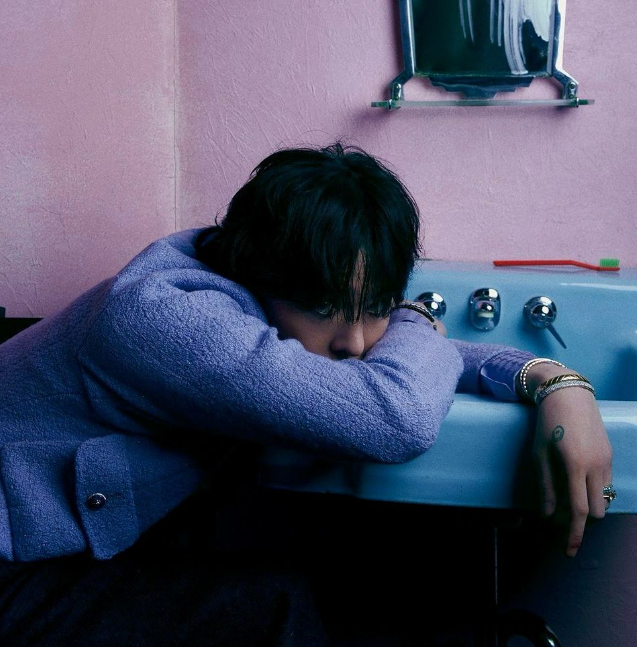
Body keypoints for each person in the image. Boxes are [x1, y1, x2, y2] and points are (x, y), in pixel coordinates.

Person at [0, 142, 613, 646]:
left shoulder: (243, 278)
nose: (354, 342)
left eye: (373, 309)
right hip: (12, 573)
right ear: (258, 275)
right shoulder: (168, 318)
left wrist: (555, 381)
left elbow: (411, 357)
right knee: (276, 607)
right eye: (325, 312)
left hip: (76, 545)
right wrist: (412, 319)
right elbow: (392, 416)